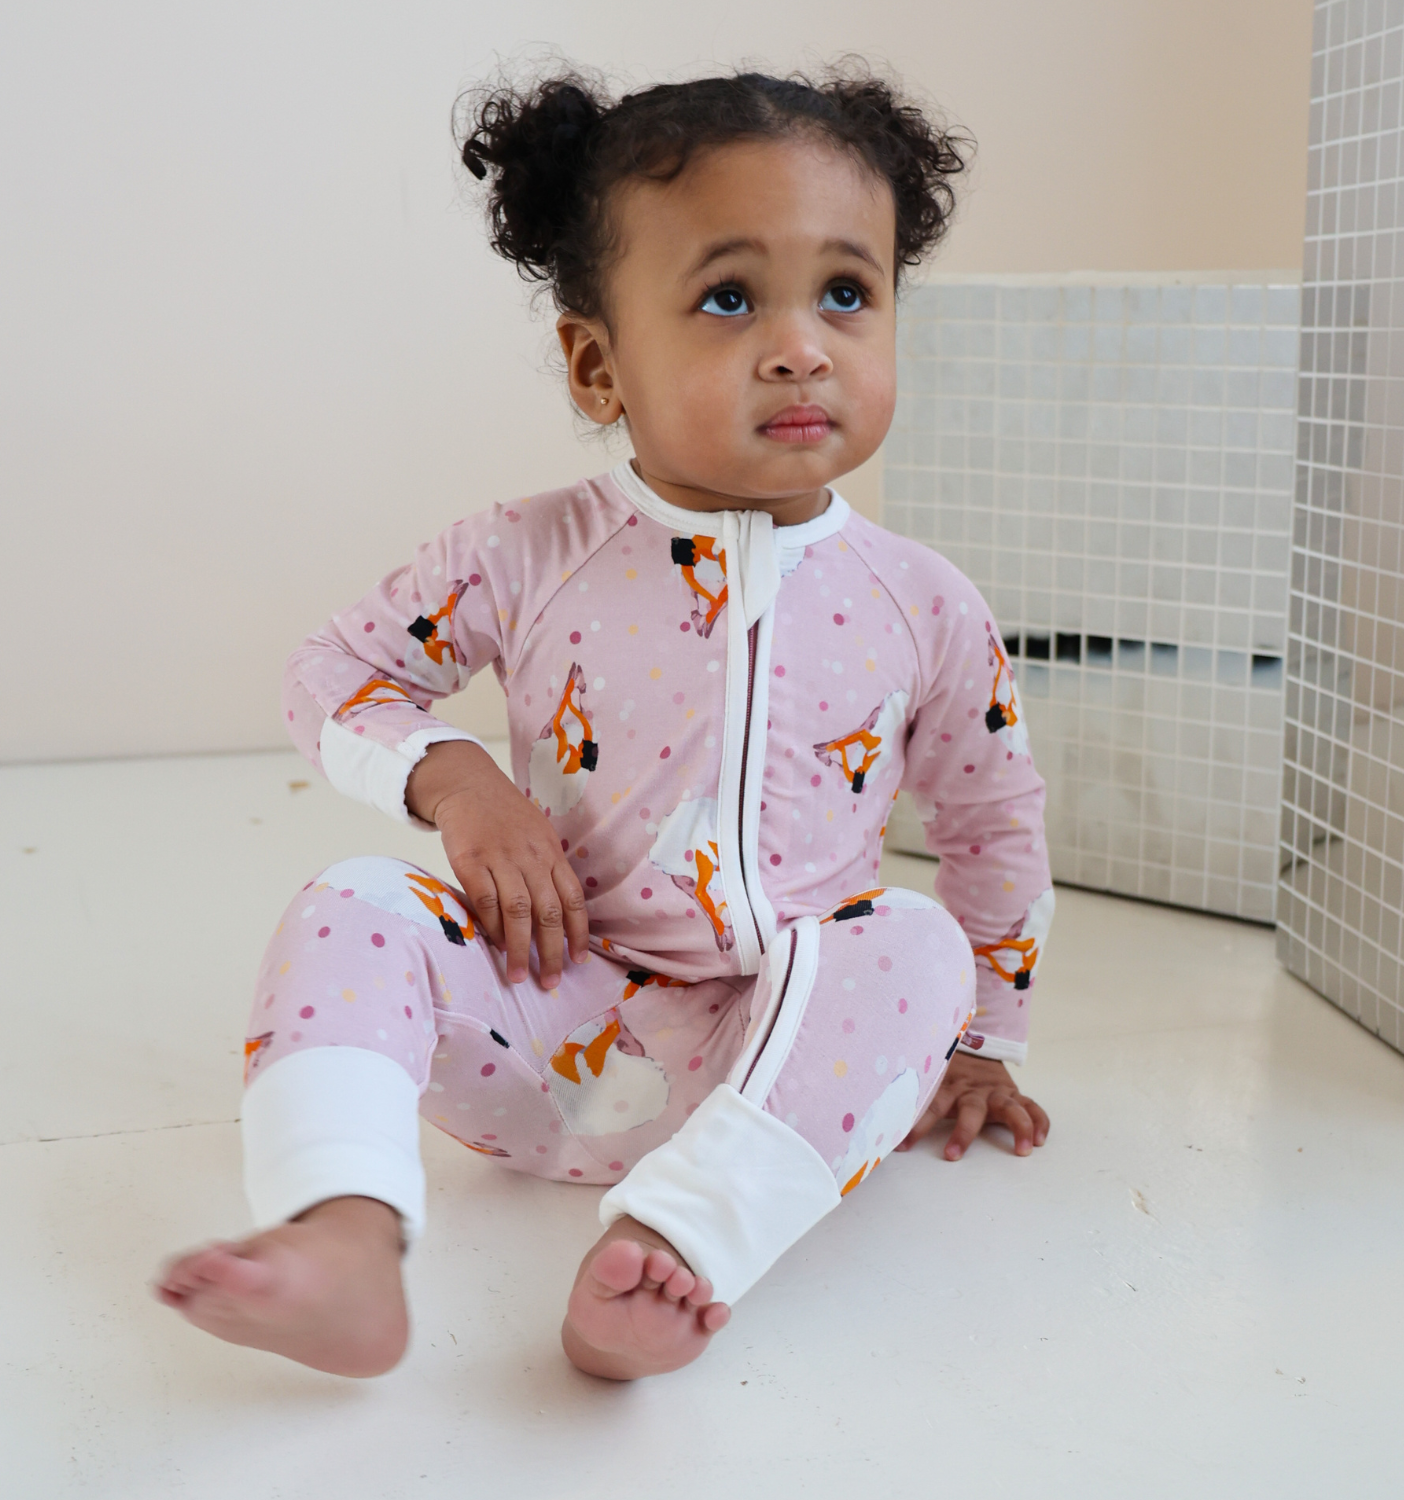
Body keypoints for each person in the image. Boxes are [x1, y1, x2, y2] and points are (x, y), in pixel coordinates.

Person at [155, 66, 1055, 1382]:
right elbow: (334, 672)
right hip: (549, 1030)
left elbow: (990, 820)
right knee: (354, 901)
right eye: (731, 298)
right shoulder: (524, 554)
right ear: (597, 363)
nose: (802, 345)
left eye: (846, 294)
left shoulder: (922, 602)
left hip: (795, 1061)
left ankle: (672, 1253)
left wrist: (982, 1043)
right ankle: (341, 1233)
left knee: (911, 938)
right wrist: (458, 782)